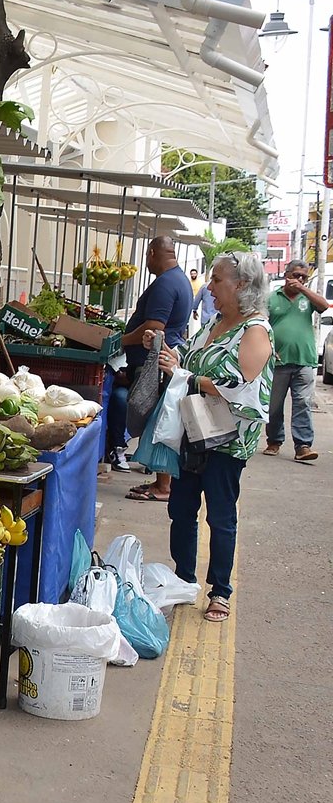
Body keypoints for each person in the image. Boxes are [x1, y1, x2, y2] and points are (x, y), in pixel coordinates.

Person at [148, 251, 272, 623]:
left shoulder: (255, 330)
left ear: (242, 285)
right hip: (195, 433)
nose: (210, 286)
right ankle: (184, 578)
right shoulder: (215, 322)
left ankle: (220, 591)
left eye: (217, 280)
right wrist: (169, 353)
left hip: (227, 442)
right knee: (181, 511)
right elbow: (191, 358)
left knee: (220, 516)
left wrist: (184, 376)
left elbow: (240, 387)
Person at [110, 237, 193, 494]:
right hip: (160, 361)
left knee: (160, 420)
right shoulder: (179, 280)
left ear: (152, 252)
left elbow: (154, 327)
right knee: (160, 420)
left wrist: (122, 340)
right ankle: (160, 482)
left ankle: (163, 485)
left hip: (154, 365)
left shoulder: (165, 284)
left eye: (147, 257)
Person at [264, 259, 327, 463]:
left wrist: (304, 289)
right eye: (296, 275)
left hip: (304, 359)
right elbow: (261, 325)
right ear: (286, 275)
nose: (299, 279)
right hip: (278, 360)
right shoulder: (272, 298)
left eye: (303, 277)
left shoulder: (307, 298)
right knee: (274, 405)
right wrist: (269, 349)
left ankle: (303, 445)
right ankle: (274, 440)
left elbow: (324, 306)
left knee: (302, 403)